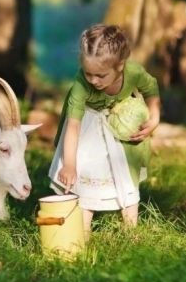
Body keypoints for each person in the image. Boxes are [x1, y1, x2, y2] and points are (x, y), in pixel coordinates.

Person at [48, 24, 160, 239]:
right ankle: (82, 234)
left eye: (100, 75)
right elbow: (73, 126)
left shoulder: (133, 72)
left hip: (119, 123)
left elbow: (151, 87)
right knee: (85, 180)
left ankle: (131, 233)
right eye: (88, 73)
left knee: (125, 176)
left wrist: (154, 117)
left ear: (120, 66)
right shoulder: (82, 85)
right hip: (87, 128)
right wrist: (70, 164)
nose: (93, 80)